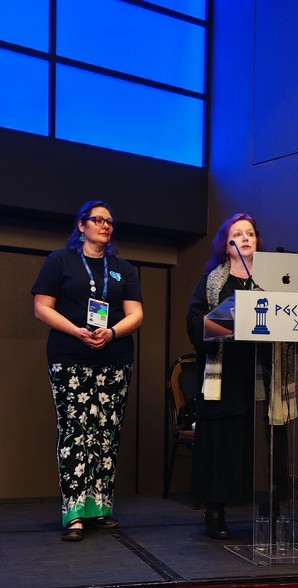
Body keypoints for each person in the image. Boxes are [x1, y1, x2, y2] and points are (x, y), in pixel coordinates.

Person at [186, 212, 298, 540]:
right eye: (237, 234)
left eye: (250, 233)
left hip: (267, 376)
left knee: (270, 447)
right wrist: (235, 312)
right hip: (227, 379)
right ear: (226, 245)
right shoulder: (213, 282)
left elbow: (294, 323)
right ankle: (216, 511)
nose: (245, 238)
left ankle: (273, 510)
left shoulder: (277, 280)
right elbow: (195, 325)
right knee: (224, 445)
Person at [31, 200, 143, 542]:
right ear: (81, 226)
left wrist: (111, 333)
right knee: (75, 432)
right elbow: (41, 308)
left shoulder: (123, 268)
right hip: (70, 357)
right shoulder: (59, 261)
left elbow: (135, 314)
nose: (106, 225)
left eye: (110, 221)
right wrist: (77, 331)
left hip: (114, 359)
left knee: (106, 434)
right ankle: (74, 513)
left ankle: (100, 509)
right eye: (98, 220)